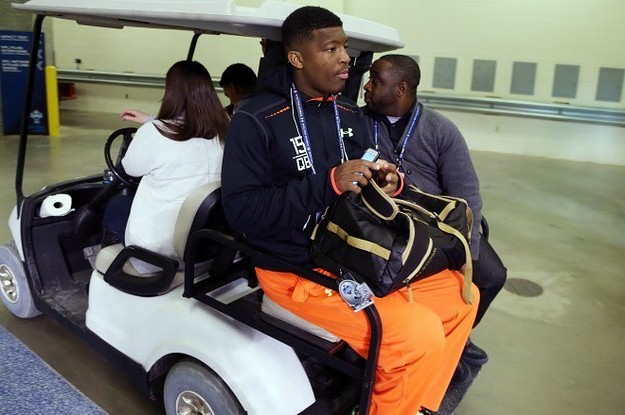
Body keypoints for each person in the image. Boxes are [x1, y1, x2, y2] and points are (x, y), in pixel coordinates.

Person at [221, 6, 478, 415]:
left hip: (354, 252)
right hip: (294, 267)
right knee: (416, 336)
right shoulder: (255, 120)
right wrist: (329, 183)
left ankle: (414, 404)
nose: (345, 58)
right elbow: (243, 213)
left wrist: (388, 181)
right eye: (331, 49)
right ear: (297, 58)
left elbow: (364, 173)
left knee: (463, 297)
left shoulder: (347, 112)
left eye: (344, 47)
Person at [362, 54, 507, 380]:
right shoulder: (358, 123)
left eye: (376, 81)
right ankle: (422, 344)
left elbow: (467, 194)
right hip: (388, 226)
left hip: (439, 226)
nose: (367, 87)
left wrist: (466, 253)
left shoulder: (440, 130)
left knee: (491, 277)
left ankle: (455, 337)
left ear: (401, 88)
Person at [103, 60, 229, 272]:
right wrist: (149, 120)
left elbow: (130, 169)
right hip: (205, 244)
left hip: (159, 253)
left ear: (171, 93)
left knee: (116, 205)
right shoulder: (225, 131)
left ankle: (115, 270)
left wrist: (151, 125)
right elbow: (190, 131)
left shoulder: (153, 132)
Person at [120, 63, 257, 123]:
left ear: (233, 88)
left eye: (228, 94)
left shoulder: (237, 115)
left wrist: (149, 120)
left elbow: (186, 127)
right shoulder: (262, 108)